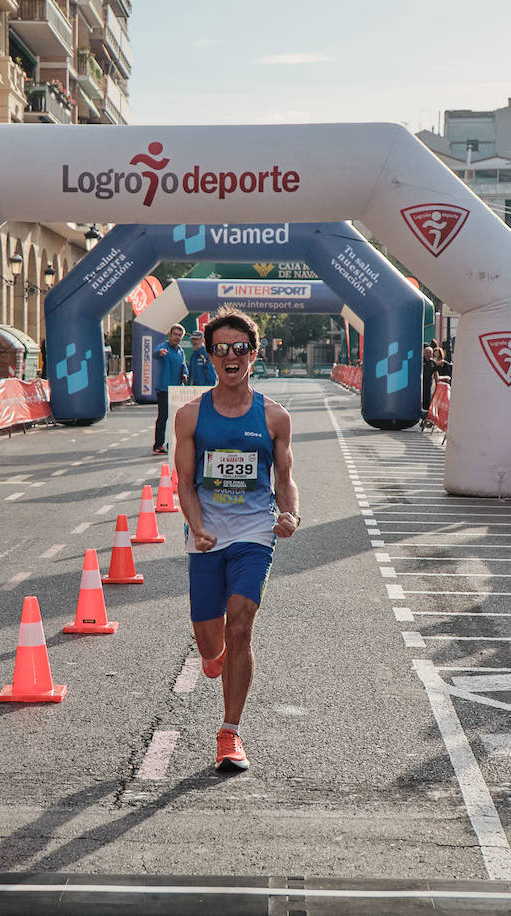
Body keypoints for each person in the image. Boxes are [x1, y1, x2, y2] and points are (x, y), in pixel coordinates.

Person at [173, 307, 299, 773]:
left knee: (241, 622)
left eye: (240, 348)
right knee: (211, 643)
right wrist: (196, 523)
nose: (231, 356)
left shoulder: (274, 417)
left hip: (253, 532)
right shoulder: (190, 416)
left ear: (254, 354)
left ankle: (230, 734)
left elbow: (285, 478)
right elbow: (184, 483)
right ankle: (215, 657)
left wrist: (289, 512)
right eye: (221, 348)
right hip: (206, 535)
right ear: (208, 356)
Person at [152, 324, 186, 455]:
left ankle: (171, 443)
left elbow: (184, 366)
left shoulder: (181, 351)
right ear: (170, 335)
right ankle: (158, 445)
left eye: (179, 335)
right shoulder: (163, 347)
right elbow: (155, 353)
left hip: (177, 390)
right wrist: (159, 353)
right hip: (164, 389)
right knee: (163, 417)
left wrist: (185, 375)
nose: (177, 337)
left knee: (175, 418)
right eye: (175, 334)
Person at [420, 345, 436, 410]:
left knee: (428, 396)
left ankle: (427, 410)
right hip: (421, 382)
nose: (427, 354)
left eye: (429, 352)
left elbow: (435, 372)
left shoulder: (433, 362)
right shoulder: (421, 361)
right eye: (426, 352)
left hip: (429, 382)